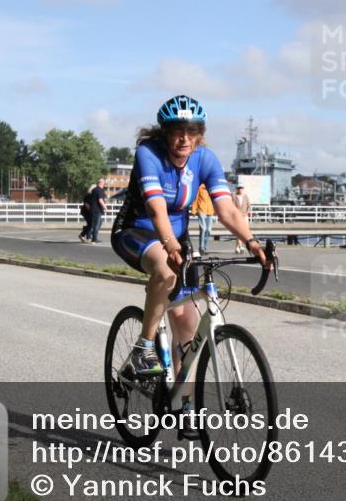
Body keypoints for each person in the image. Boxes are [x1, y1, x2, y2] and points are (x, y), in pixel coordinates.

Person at [111, 95, 269, 377]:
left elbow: (228, 211)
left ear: (200, 135)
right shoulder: (149, 152)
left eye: (192, 132)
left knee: (186, 327)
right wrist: (170, 245)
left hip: (177, 238)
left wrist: (252, 242)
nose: (184, 139)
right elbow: (156, 209)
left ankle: (182, 405)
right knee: (166, 270)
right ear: (165, 133)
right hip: (137, 229)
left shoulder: (205, 159)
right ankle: (143, 349)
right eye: (177, 132)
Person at [190, 184, 214, 256]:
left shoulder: (211, 187)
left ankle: (205, 247)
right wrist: (194, 210)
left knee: (208, 230)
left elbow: (214, 199)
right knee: (203, 229)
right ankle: (202, 248)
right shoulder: (199, 187)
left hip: (210, 210)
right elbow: (195, 199)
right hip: (201, 210)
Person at [232, 184, 250, 253]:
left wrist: (246, 213)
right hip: (237, 216)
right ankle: (241, 246)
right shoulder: (234, 195)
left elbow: (249, 206)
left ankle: (237, 247)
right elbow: (232, 205)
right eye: (239, 188)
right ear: (237, 189)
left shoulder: (245, 196)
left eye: (241, 188)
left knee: (245, 231)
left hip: (245, 216)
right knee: (239, 231)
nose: (240, 189)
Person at [88, 178, 107, 244]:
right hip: (97, 210)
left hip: (93, 209)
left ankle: (92, 236)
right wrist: (105, 207)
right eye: (104, 182)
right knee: (96, 225)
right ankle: (94, 239)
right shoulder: (100, 190)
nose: (105, 184)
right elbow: (100, 200)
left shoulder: (94, 190)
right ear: (101, 183)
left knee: (96, 223)